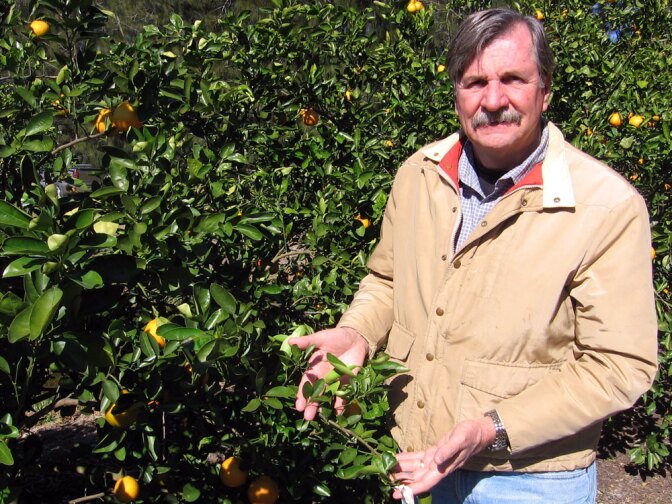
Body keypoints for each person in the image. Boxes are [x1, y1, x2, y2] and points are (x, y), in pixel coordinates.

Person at [289, 8, 658, 503]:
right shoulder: (419, 175)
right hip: (416, 461)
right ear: (455, 92)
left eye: (512, 79)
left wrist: (492, 428)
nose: (493, 100)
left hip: (528, 480)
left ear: (545, 88)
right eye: (474, 81)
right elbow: (388, 282)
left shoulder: (605, 207)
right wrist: (358, 333)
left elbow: (619, 364)